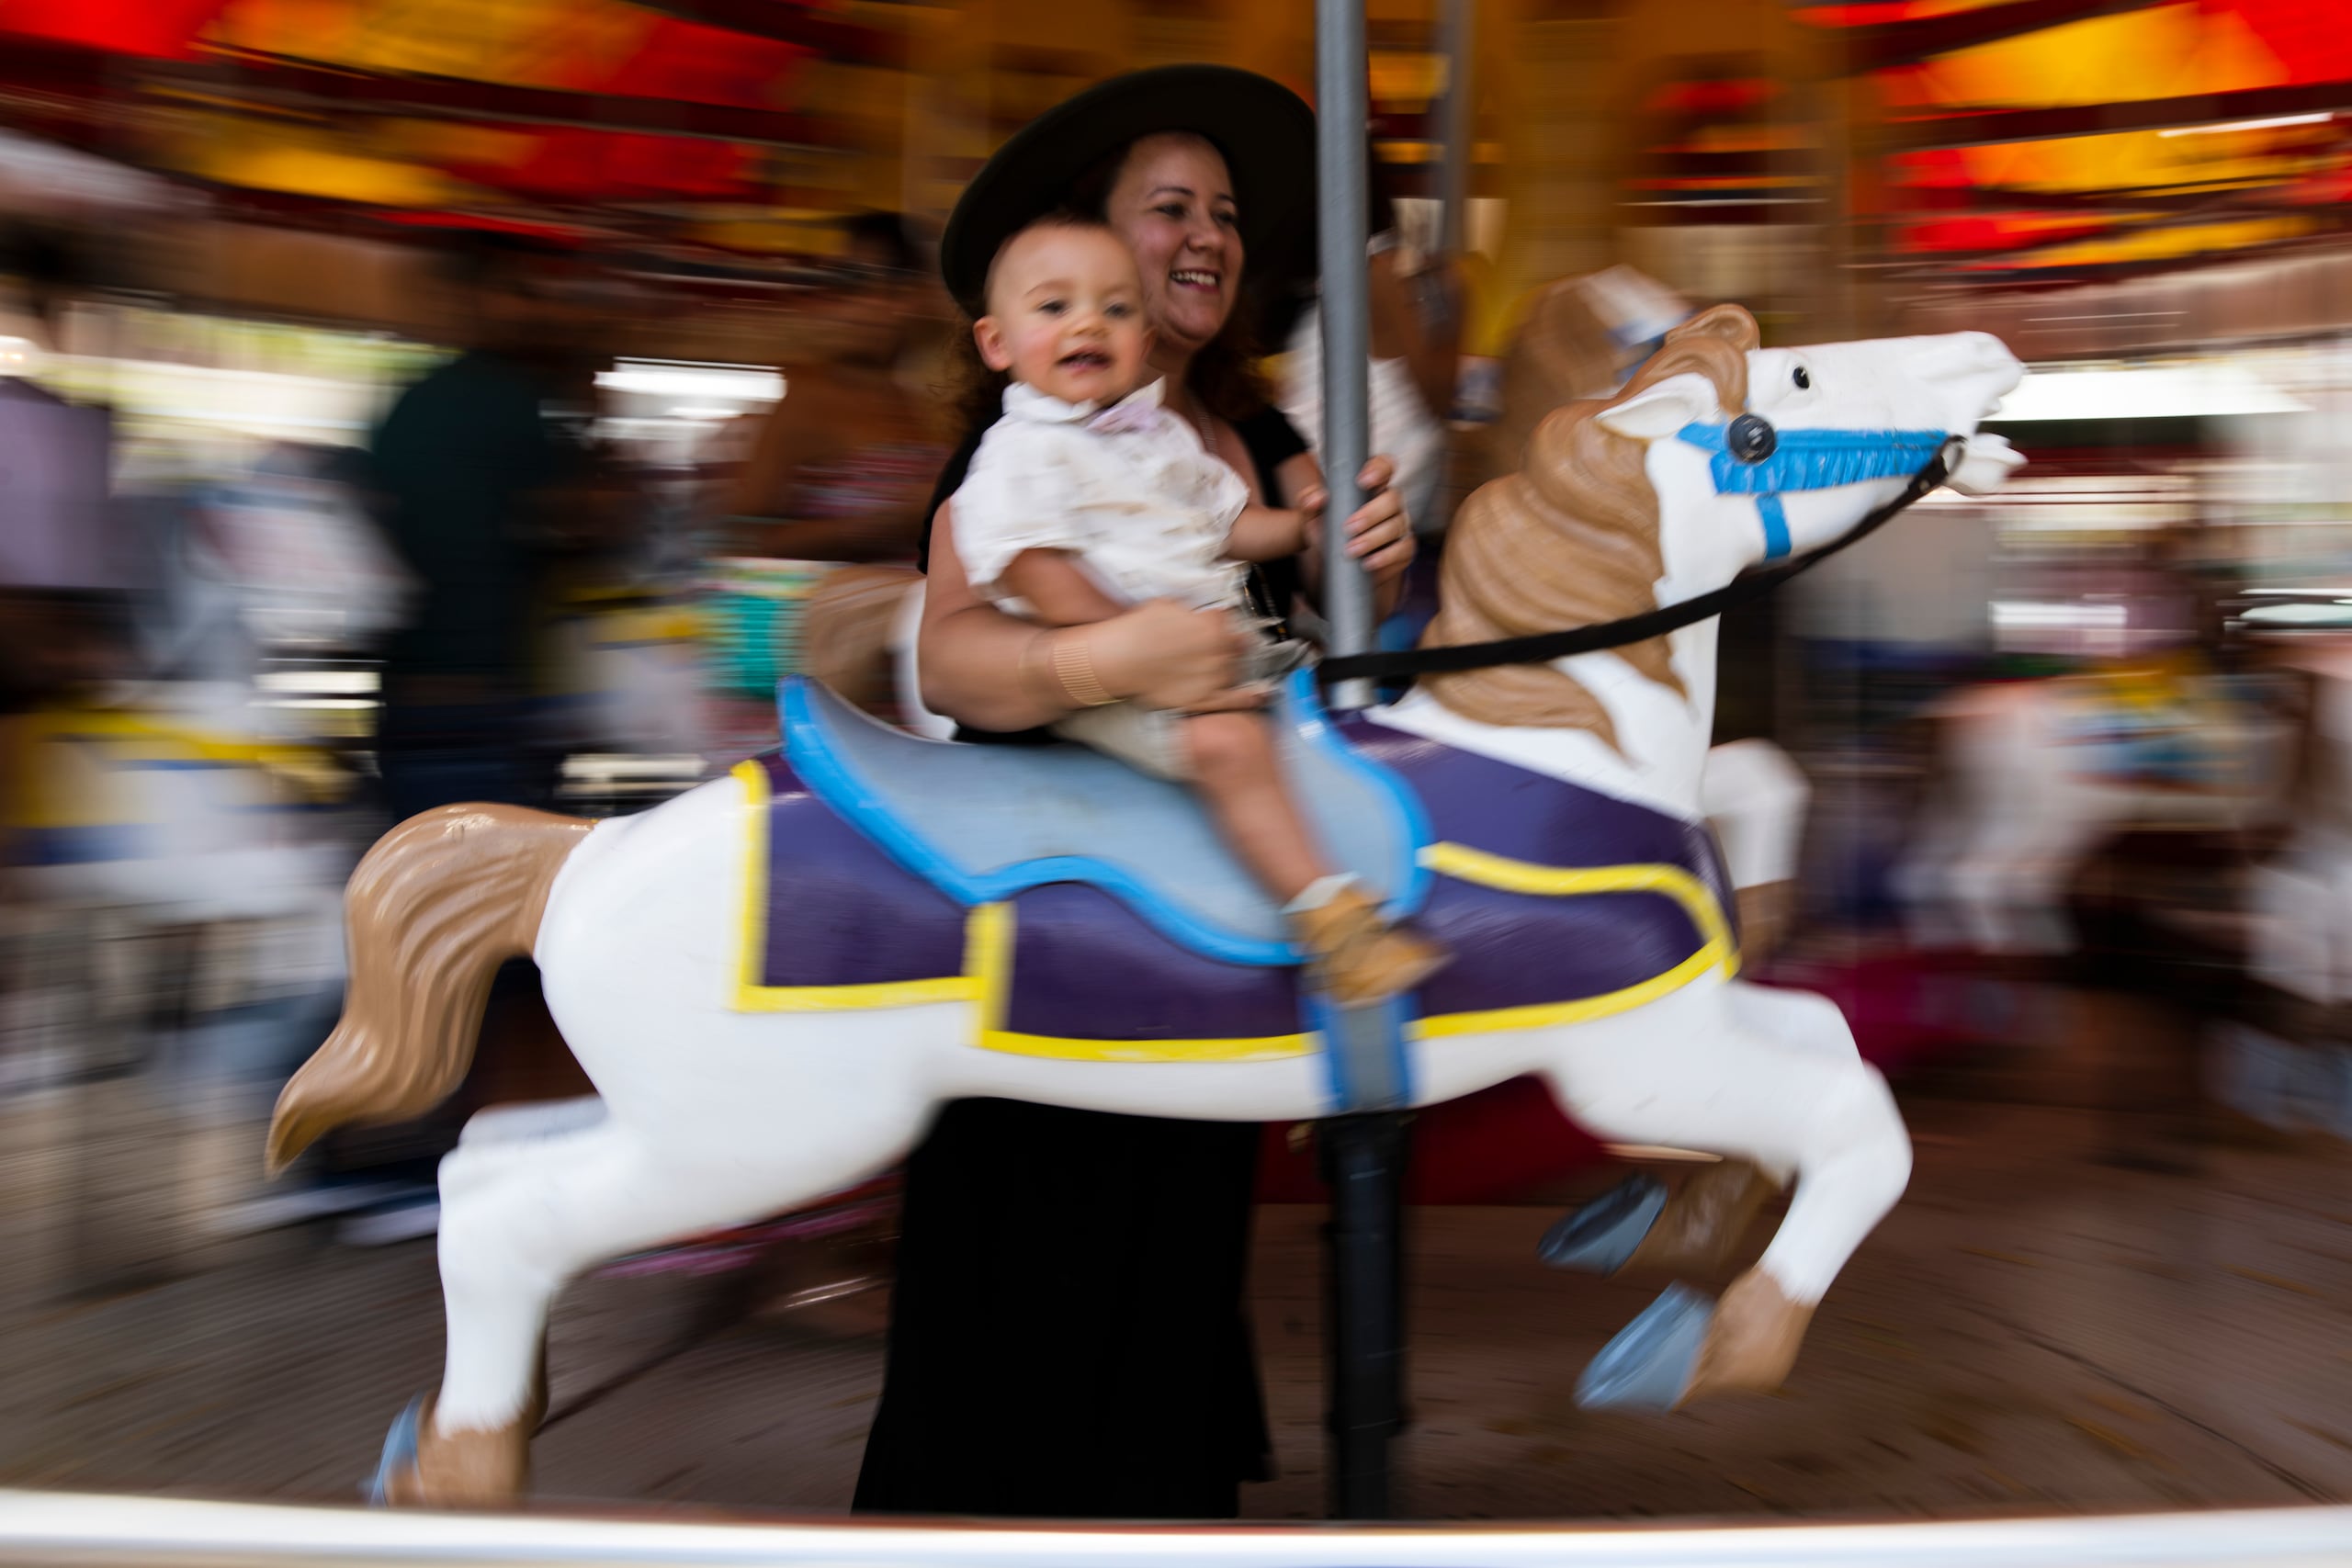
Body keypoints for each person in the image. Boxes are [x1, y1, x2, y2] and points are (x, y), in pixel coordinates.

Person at [852, 64, 1416, 1522]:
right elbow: (960, 657)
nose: (1206, 236)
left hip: (1214, 882)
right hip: (1061, 886)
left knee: (1180, 1234)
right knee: (1039, 1229)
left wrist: (1379, 561)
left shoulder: (1256, 438)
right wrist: (1112, 651)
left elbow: (1329, 642)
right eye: (1168, 207)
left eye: (1223, 212)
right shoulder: (1024, 444)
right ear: (1082, 248)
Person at [951, 213, 1442, 1001]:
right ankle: (1331, 922)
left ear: (1142, 340)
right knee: (1226, 744)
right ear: (997, 343)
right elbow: (1035, 566)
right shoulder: (1022, 449)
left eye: (1114, 309)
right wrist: (1131, 647)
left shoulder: (1155, 434)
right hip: (1118, 670)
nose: (1087, 323)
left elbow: (1230, 524)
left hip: (1208, 647)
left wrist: (1308, 524)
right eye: (1053, 308)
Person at [716, 212, 947, 564]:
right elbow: (745, 538)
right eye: (853, 285)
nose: (872, 306)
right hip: (838, 613)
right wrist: (885, 523)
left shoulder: (921, 403)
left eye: (893, 288)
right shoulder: (805, 401)